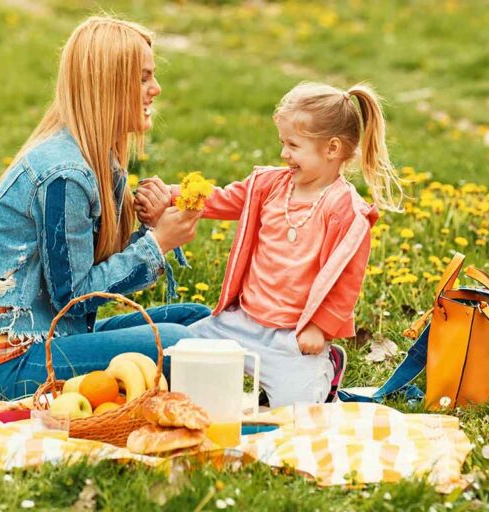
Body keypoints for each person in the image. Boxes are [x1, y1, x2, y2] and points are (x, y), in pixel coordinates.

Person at [0, 16, 210, 403]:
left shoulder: (96, 158)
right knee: (180, 343)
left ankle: (278, 373)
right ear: (108, 85)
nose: (155, 89)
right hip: (6, 366)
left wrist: (150, 229)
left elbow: (82, 270)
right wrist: (157, 245)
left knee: (197, 318)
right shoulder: (65, 174)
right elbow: (74, 296)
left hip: (56, 338)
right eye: (142, 78)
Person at [135, 82, 402, 407]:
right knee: (181, 360)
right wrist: (174, 195)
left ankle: (325, 368)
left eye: (293, 145)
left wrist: (320, 327)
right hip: (240, 321)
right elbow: (222, 199)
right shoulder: (268, 185)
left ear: (332, 149)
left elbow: (348, 279)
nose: (284, 154)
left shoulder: (345, 210)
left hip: (291, 336)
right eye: (282, 143)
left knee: (296, 410)